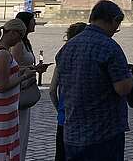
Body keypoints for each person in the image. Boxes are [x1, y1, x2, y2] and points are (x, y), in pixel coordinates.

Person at [56, 0, 133, 161]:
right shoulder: (110, 47)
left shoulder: (68, 47)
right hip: (104, 132)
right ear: (113, 20)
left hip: (72, 132)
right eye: (116, 25)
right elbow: (123, 88)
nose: (115, 30)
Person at [0, 19, 36, 161]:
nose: (19, 41)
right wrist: (24, 77)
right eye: (19, 36)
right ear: (12, 33)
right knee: (1, 148)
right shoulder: (3, 54)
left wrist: (26, 70)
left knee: (5, 146)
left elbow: (7, 74)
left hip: (4, 106)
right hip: (1, 107)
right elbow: (2, 86)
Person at [12, 11, 49, 160]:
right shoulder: (18, 44)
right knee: (18, 131)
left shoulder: (26, 42)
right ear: (26, 24)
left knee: (24, 132)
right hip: (19, 90)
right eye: (33, 20)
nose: (35, 23)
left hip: (26, 89)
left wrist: (34, 68)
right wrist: (33, 69)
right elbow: (13, 68)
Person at [49, 22, 87, 161]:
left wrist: (60, 108)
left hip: (64, 118)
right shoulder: (88, 56)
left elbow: (52, 90)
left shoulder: (63, 56)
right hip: (85, 119)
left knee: (62, 155)